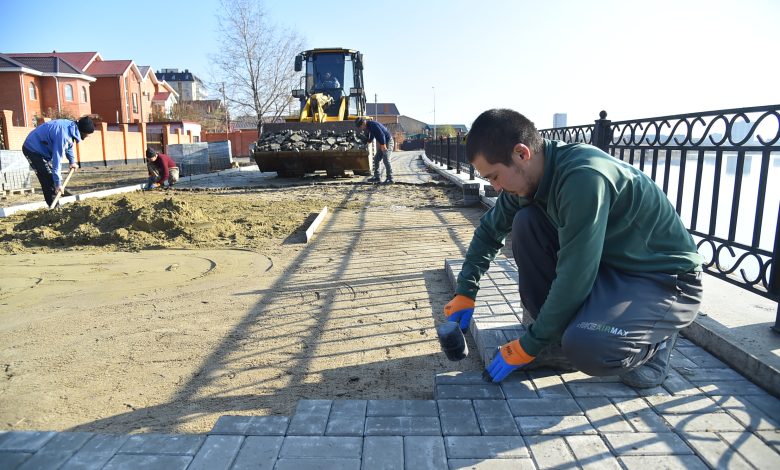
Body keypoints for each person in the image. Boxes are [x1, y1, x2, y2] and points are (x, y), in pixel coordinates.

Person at [445, 108, 703, 389]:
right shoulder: (526, 181)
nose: (494, 186)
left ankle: (655, 343)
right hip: (607, 267)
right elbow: (489, 232)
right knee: (527, 222)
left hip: (661, 277)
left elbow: (574, 276)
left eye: (494, 176)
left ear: (522, 153)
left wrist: (530, 344)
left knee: (590, 348)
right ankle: (555, 343)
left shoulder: (583, 177)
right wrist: (465, 292)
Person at [22, 116, 94, 206]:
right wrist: (58, 183)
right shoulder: (63, 134)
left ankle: (62, 195)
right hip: (32, 149)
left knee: (51, 177)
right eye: (88, 134)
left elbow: (69, 144)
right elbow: (57, 159)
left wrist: (72, 161)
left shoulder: (71, 127)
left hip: (42, 149)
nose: (88, 136)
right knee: (46, 178)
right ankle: (54, 209)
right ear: (82, 131)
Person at [356, 117, 394, 184]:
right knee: (376, 158)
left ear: (363, 123)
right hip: (384, 142)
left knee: (386, 159)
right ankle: (377, 177)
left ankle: (390, 178)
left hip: (388, 141)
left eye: (360, 126)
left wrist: (383, 145)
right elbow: (373, 134)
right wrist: (369, 141)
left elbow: (381, 134)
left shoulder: (372, 125)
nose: (361, 128)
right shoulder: (369, 126)